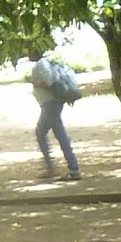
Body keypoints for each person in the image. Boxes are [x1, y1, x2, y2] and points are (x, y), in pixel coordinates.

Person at [28, 50, 82, 181]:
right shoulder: (45, 63)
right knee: (41, 132)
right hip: (50, 103)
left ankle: (73, 169)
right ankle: (51, 166)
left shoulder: (41, 64)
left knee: (59, 133)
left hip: (50, 104)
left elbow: (49, 81)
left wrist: (35, 83)